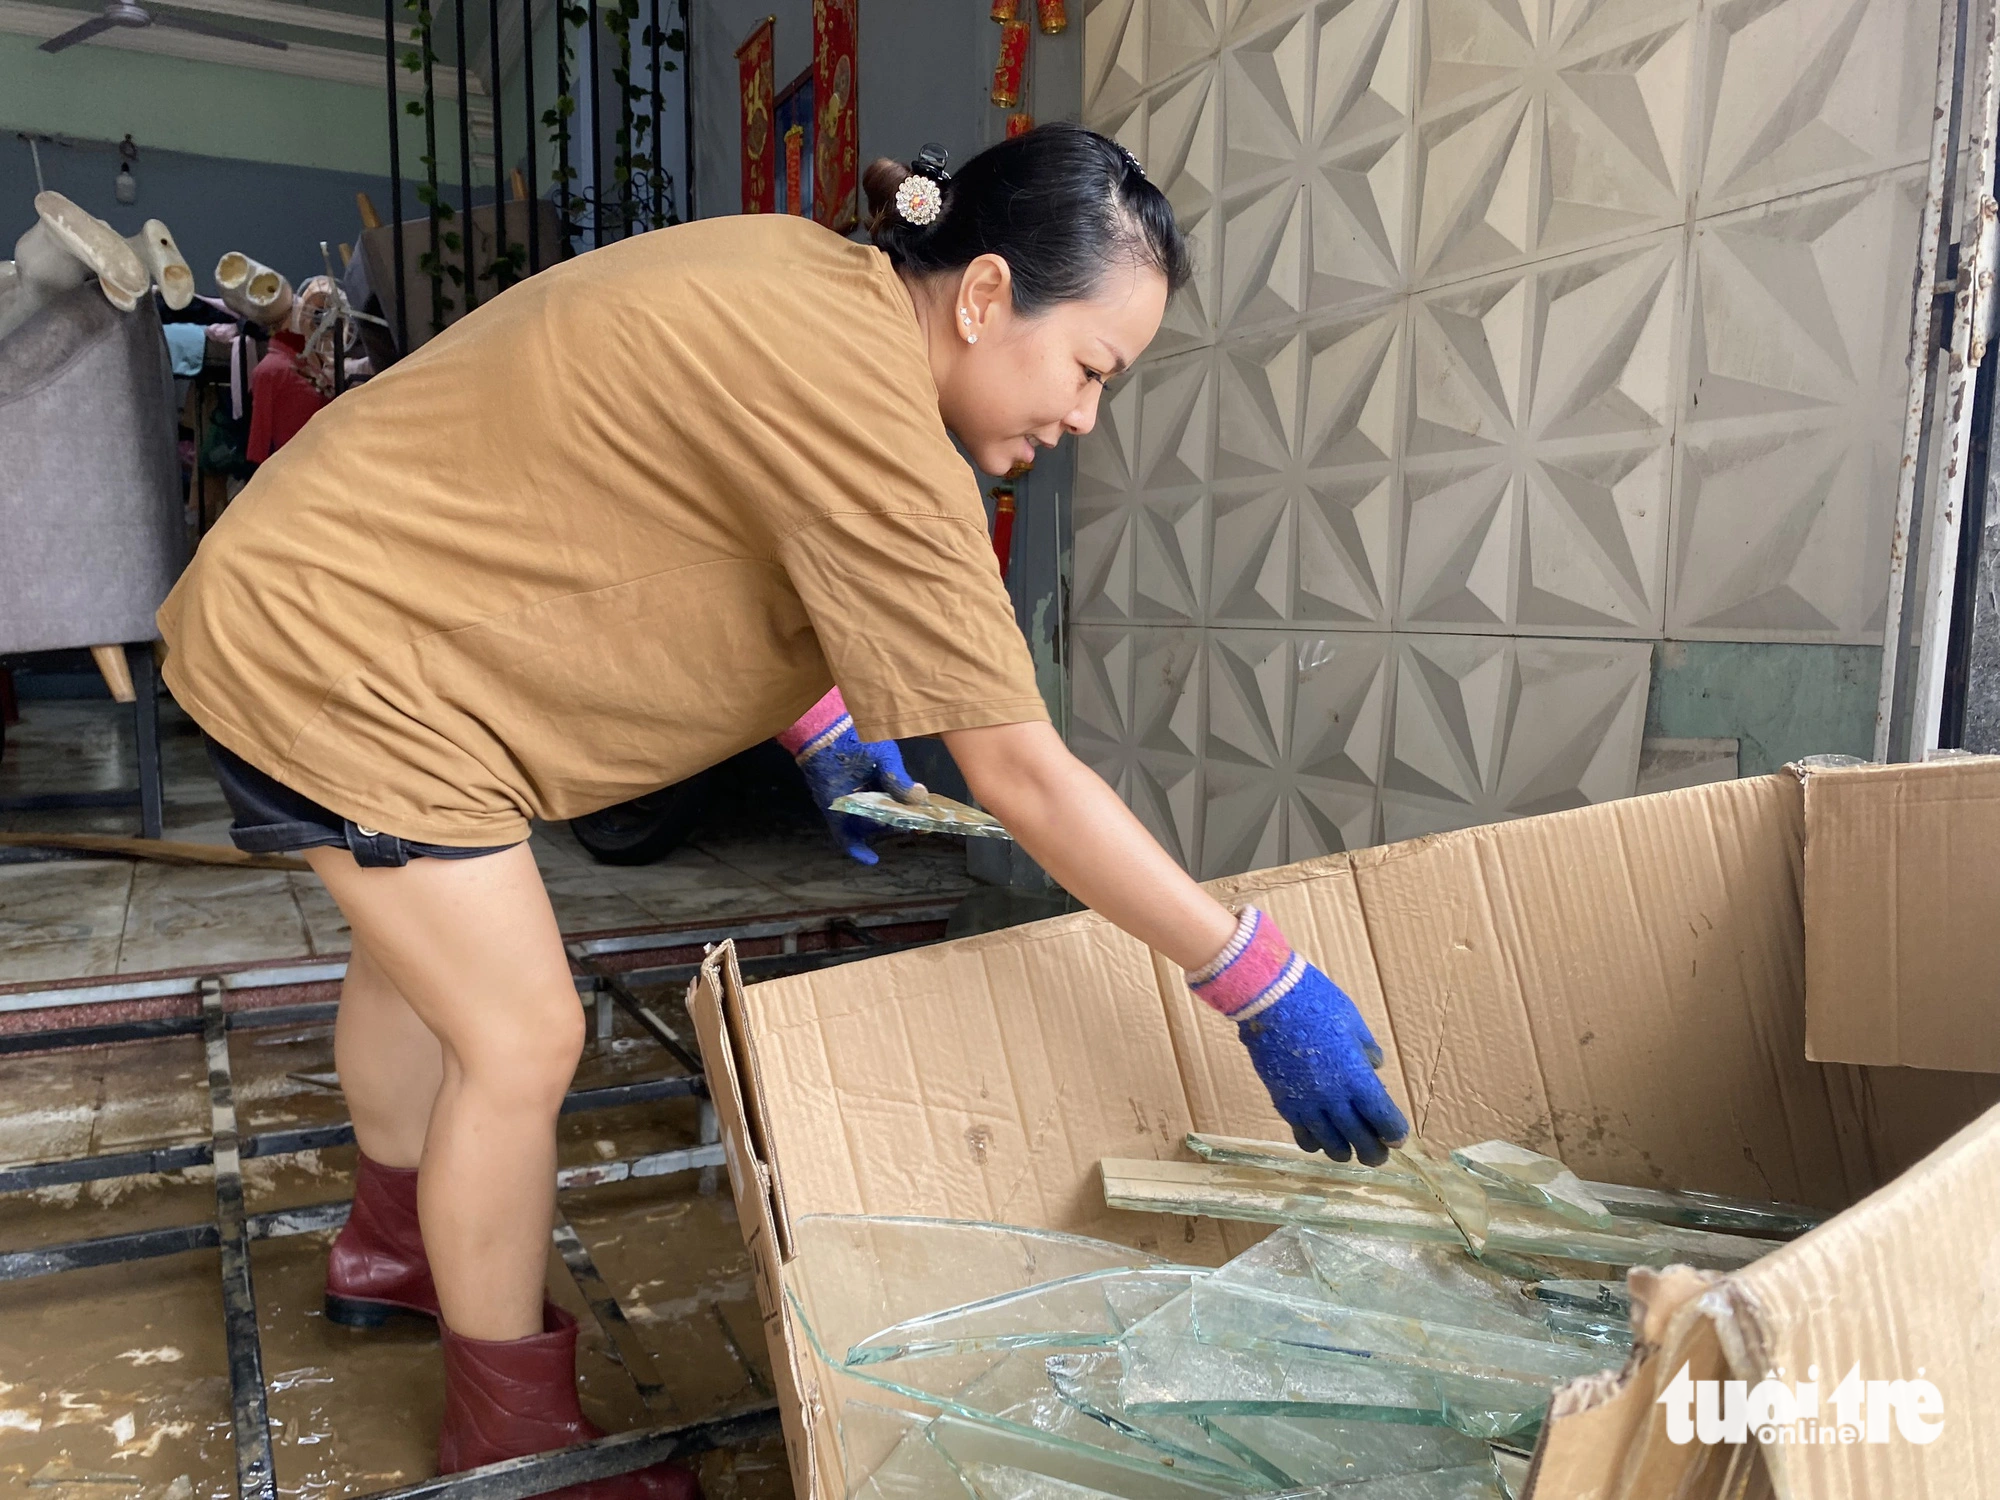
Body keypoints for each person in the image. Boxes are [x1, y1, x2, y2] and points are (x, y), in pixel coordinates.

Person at [155, 123, 1410, 1499]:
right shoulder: (879, 420)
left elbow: (683, 508)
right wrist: (1251, 974)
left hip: (316, 594)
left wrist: (814, 721)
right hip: (345, 657)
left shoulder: (810, 280)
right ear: (986, 296)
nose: (1084, 418)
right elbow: (1021, 772)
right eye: (1091, 368)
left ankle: (394, 1251)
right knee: (520, 1037)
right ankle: (506, 1434)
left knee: (417, 961)